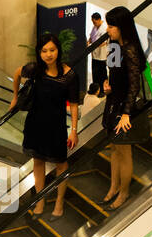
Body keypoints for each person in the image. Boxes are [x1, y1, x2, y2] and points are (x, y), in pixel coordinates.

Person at [11, 33, 80, 218]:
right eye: (44, 51)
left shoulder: (69, 75)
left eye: (52, 50)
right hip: (35, 123)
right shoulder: (35, 69)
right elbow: (17, 73)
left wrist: (74, 131)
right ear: (39, 53)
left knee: (60, 163)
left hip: (56, 126)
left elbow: (74, 105)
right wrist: (15, 96)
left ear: (58, 50)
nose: (48, 54)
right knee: (38, 161)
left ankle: (59, 202)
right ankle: (40, 200)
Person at [101, 6, 149, 209]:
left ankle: (124, 192)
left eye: (111, 26)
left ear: (122, 27)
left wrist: (126, 114)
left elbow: (134, 86)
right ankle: (113, 186)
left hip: (124, 106)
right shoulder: (113, 45)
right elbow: (111, 71)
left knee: (124, 150)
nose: (108, 29)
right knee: (114, 148)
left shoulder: (130, 50)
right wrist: (106, 85)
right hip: (114, 101)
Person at [87, 12, 109, 96]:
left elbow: (104, 42)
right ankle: (96, 89)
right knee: (95, 73)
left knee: (102, 74)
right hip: (94, 55)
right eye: (92, 22)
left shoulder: (104, 29)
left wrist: (93, 45)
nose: (93, 23)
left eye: (94, 22)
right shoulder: (94, 27)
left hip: (102, 56)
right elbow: (91, 37)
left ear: (99, 20)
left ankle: (103, 90)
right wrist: (89, 41)